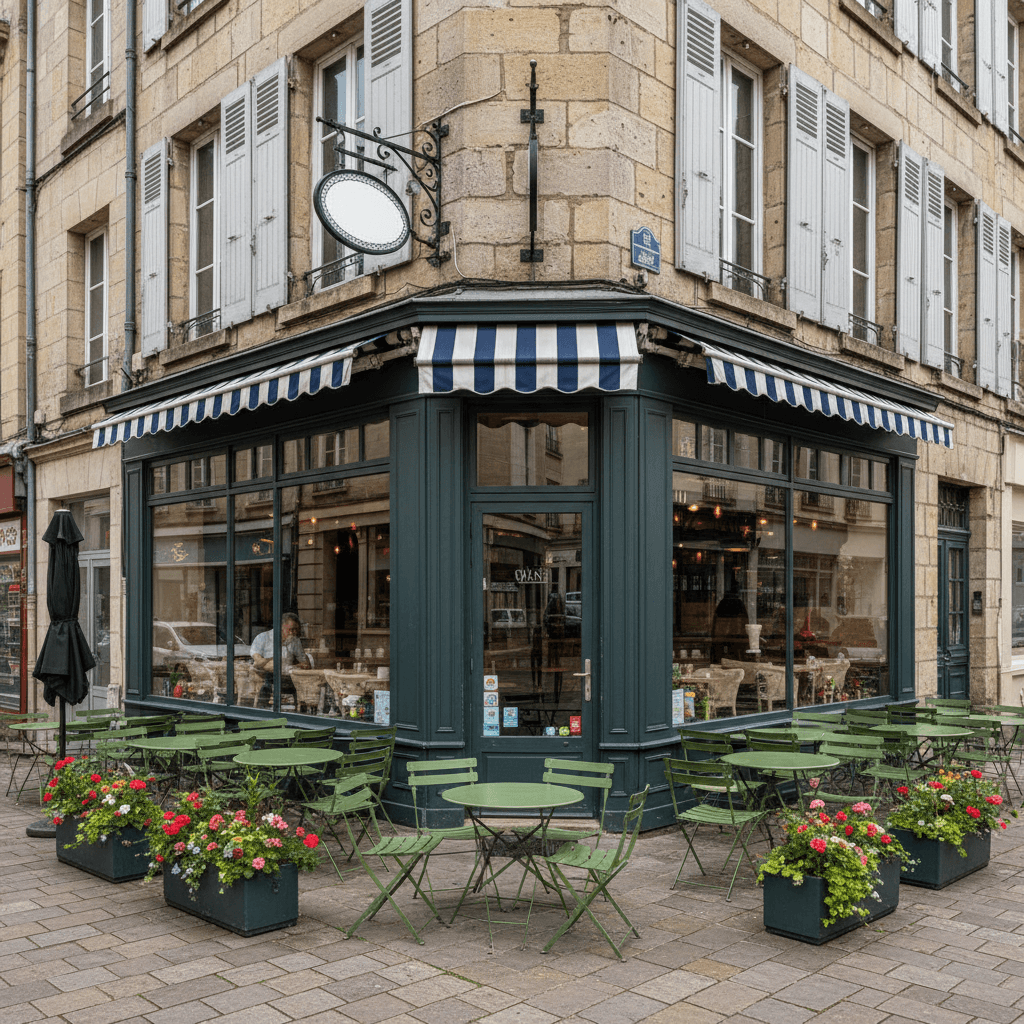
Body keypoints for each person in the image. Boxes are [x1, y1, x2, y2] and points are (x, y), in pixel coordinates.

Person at [251, 612, 310, 708]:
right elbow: (258, 662)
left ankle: (300, 711)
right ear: (281, 627)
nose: (293, 632)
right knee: (267, 681)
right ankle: (261, 710)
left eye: (296, 629)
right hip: (266, 678)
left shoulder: (295, 641)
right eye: (291, 629)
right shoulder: (263, 638)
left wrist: (291, 667)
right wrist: (272, 660)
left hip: (287, 677)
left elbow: (305, 663)